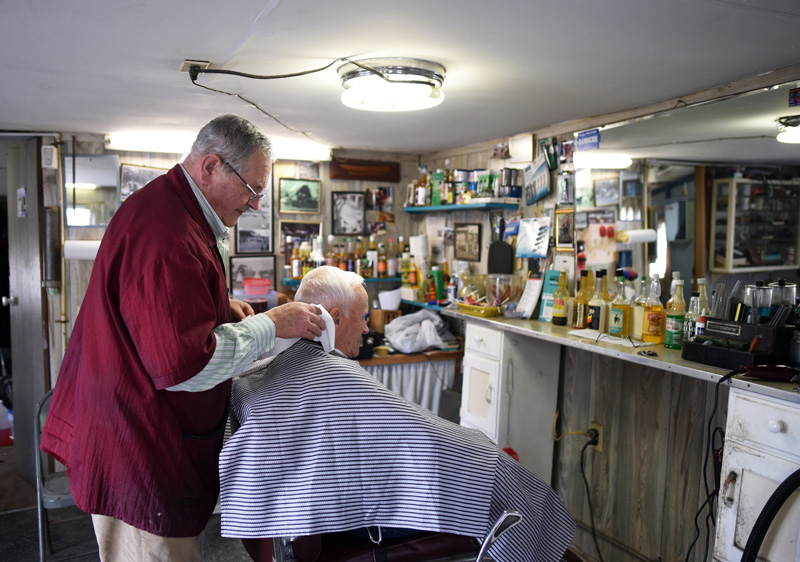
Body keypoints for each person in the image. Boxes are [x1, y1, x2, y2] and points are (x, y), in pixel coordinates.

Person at [40, 114, 325, 561]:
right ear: (211, 166)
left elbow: (161, 315)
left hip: (137, 434)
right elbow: (184, 365)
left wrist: (216, 310)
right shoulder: (166, 233)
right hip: (137, 449)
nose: (253, 206)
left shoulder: (175, 213)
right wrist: (272, 324)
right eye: (251, 190)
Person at [220, 266, 575, 562]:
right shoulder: (334, 375)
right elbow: (420, 433)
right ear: (336, 318)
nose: (366, 328)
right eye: (361, 318)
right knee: (504, 494)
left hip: (291, 520)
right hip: (346, 522)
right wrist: (487, 454)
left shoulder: (263, 370)